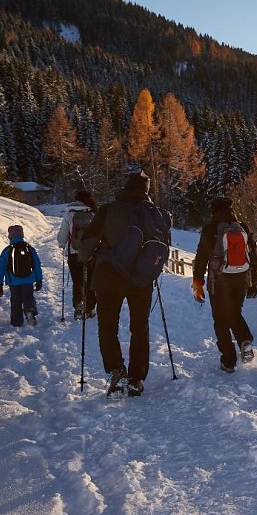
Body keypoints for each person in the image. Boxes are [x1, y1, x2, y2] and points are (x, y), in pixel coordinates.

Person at [78, 170, 160, 397]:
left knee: (107, 327)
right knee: (140, 329)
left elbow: (87, 246)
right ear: (146, 190)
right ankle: (136, 379)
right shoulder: (152, 213)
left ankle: (116, 369)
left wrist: (86, 258)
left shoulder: (108, 210)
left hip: (108, 277)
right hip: (141, 279)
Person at [191, 196, 257, 372]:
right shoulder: (243, 228)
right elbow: (253, 256)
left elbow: (201, 258)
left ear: (214, 211)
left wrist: (198, 282)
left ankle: (228, 360)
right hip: (242, 279)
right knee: (234, 312)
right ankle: (245, 340)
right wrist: (254, 282)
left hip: (218, 281)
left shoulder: (209, 229)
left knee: (221, 319)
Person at [56, 188, 98, 319]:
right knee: (90, 281)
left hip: (74, 253)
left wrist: (62, 244)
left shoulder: (69, 214)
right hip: (91, 253)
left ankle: (79, 304)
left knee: (78, 281)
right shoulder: (93, 213)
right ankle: (90, 308)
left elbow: (63, 234)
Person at [0, 224, 43, 327]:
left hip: (13, 281)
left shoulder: (7, 251)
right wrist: (39, 280)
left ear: (10, 236)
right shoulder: (29, 249)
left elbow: (1, 268)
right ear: (22, 235)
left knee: (16, 300)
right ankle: (30, 311)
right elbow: (37, 265)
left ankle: (17, 321)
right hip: (28, 279)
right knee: (28, 297)